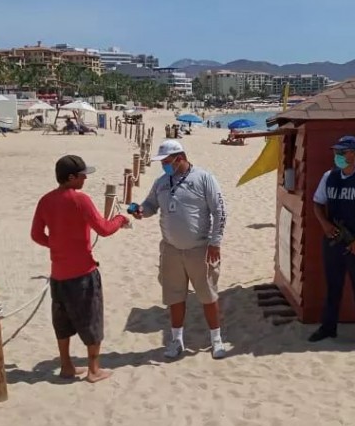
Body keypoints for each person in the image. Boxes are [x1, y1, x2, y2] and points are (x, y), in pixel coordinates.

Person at [30, 155, 130, 383]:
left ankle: (66, 365)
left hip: (58, 274)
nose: (85, 178)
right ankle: (94, 369)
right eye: (82, 175)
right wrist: (120, 219)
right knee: (91, 320)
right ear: (71, 178)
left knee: (62, 321)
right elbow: (104, 229)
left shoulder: (45, 200)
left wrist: (56, 244)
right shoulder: (80, 200)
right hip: (83, 273)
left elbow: (36, 235)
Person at [131, 140, 228, 360]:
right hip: (171, 250)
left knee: (208, 295)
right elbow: (150, 205)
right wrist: (140, 211)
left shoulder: (204, 178)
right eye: (162, 162)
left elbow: (220, 212)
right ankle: (177, 341)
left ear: (180, 158)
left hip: (200, 249)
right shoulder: (162, 182)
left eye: (166, 162)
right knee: (174, 296)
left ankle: (216, 340)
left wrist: (215, 242)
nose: (164, 166)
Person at [308, 136, 355, 349]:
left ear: (354, 153)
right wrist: (325, 225)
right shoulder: (329, 176)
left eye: (342, 152)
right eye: (336, 152)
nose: (338, 156)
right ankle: (328, 327)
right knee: (333, 287)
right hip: (333, 242)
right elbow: (317, 204)